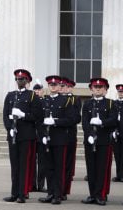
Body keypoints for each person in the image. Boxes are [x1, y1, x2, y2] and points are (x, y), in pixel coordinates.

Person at [3, 69, 43, 203]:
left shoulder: (32, 96)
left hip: (26, 135)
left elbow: (38, 117)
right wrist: (9, 128)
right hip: (13, 135)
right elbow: (5, 115)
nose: (20, 81)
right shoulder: (10, 96)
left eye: (22, 79)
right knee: (14, 165)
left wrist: (23, 115)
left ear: (27, 81)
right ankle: (14, 193)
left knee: (24, 165)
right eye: (18, 79)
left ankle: (23, 193)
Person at [39, 75, 78, 205]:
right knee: (48, 167)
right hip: (47, 139)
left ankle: (58, 194)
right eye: (51, 85)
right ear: (48, 86)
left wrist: (55, 122)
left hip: (60, 139)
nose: (53, 87)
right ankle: (50, 193)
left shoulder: (66, 101)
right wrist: (42, 136)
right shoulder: (44, 101)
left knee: (59, 167)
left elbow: (72, 119)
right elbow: (39, 120)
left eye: (56, 85)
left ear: (59, 86)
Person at [81, 77, 118, 205]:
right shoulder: (87, 104)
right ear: (91, 89)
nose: (97, 89)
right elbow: (85, 122)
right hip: (90, 141)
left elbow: (114, 120)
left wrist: (102, 122)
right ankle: (92, 194)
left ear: (105, 90)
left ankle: (101, 195)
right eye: (95, 87)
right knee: (91, 169)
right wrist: (89, 134)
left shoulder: (110, 103)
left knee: (102, 169)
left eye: (100, 87)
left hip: (104, 141)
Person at [112, 84, 123, 183]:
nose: (121, 93)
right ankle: (119, 175)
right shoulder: (114, 103)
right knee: (117, 154)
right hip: (116, 132)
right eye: (119, 92)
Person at [32, 83, 48, 192]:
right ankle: (32, 184)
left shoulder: (46, 102)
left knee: (43, 162)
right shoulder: (31, 102)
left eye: (39, 90)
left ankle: (41, 184)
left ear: (43, 91)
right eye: (35, 90)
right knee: (32, 161)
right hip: (32, 135)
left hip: (42, 135)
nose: (37, 91)